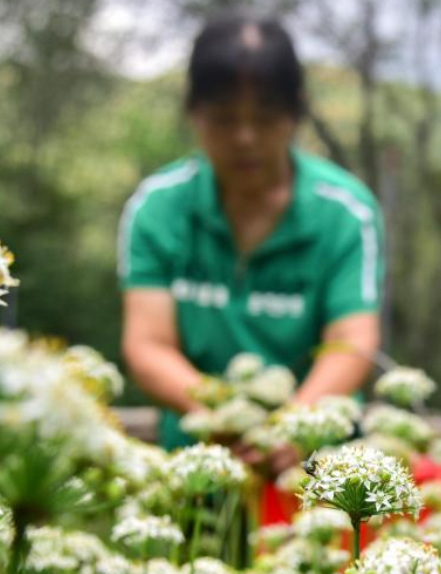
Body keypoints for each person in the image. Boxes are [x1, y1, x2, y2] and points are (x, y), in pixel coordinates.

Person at [118, 13, 383, 497]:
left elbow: (353, 340)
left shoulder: (346, 212)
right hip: (198, 472)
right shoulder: (156, 209)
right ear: (193, 113)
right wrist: (221, 415)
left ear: (295, 114)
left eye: (263, 118)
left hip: (318, 476)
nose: (244, 137)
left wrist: (296, 425)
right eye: (223, 119)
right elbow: (147, 343)